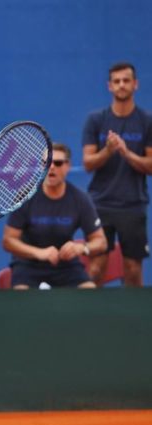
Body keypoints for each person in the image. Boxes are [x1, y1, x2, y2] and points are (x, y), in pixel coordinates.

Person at [82, 62, 152, 287]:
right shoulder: (96, 120)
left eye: (126, 80)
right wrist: (109, 150)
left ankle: (135, 321)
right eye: (117, 81)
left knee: (132, 268)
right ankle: (93, 319)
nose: (122, 85)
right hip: (100, 204)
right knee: (96, 267)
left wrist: (125, 152)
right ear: (109, 86)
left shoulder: (147, 121)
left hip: (133, 205)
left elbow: (150, 165)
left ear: (135, 84)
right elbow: (88, 163)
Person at [3, 143, 107, 289]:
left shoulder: (80, 199)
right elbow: (8, 241)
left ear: (68, 166)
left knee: (88, 291)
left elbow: (101, 242)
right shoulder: (26, 196)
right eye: (46, 163)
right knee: (21, 295)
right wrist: (39, 253)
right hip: (28, 265)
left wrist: (81, 248)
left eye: (57, 163)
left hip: (66, 266)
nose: (51, 167)